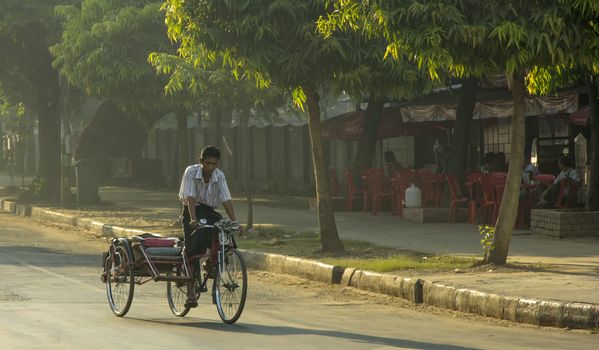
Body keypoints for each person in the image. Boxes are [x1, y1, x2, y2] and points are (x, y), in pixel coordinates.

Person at [178, 145, 238, 308]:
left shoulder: (219, 176)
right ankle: (190, 293)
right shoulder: (190, 172)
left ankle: (212, 263)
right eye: (208, 163)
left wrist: (234, 221)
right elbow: (190, 197)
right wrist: (193, 219)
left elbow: (226, 199)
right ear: (201, 161)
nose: (211, 167)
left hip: (209, 210)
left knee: (224, 235)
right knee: (192, 250)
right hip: (191, 210)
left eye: (214, 164)